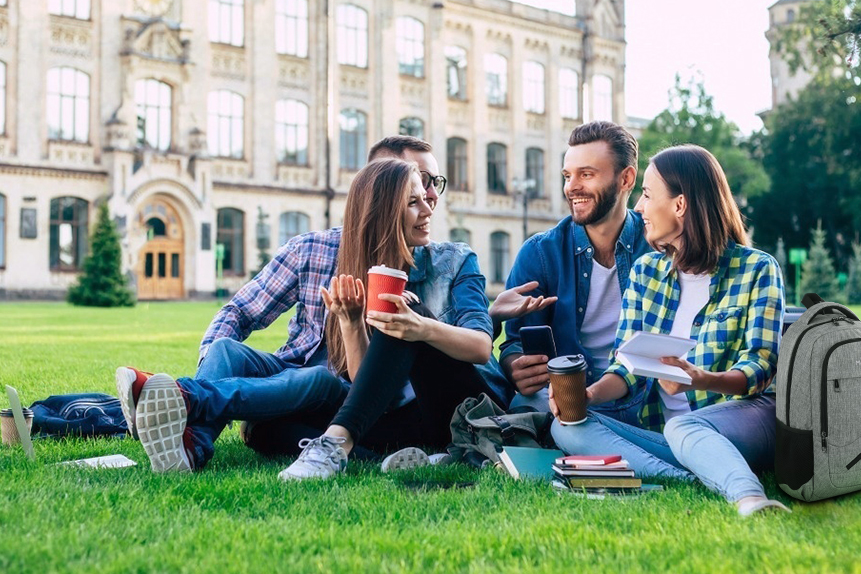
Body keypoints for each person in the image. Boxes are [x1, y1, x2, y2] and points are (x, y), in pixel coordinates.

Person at [116, 136, 548, 473]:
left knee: (309, 392)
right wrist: (349, 319)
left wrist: (437, 321)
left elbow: (459, 348)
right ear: (381, 192)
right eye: (414, 187)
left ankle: (186, 398)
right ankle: (193, 442)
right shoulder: (316, 250)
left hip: (397, 406)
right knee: (253, 392)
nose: (430, 197)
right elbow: (242, 314)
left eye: (432, 184)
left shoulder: (450, 260)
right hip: (342, 395)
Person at [549, 144, 789, 516]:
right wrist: (586, 396)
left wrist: (700, 379)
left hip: (743, 419)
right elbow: (626, 366)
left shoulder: (757, 269)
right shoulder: (646, 273)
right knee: (566, 427)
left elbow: (759, 369)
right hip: (671, 436)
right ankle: (689, 478)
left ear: (679, 205)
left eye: (646, 194)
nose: (639, 207)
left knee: (686, 429)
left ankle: (750, 498)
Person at [499, 121, 650, 425]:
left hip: (641, 395)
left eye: (586, 174)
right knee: (525, 405)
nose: (572, 187)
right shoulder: (540, 253)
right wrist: (516, 364)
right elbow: (514, 340)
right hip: (562, 397)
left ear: (626, 179)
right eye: (568, 176)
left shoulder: (656, 246)